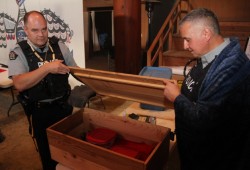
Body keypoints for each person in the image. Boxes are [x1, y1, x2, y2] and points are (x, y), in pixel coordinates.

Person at [163, 8, 250, 170]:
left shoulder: (231, 68)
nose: (184, 45)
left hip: (214, 160)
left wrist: (176, 97)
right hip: (193, 153)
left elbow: (202, 121)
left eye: (188, 39)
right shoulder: (209, 55)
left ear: (206, 34)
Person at [8, 11, 77, 170]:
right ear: (25, 30)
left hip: (64, 107)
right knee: (49, 158)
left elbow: (76, 70)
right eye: (35, 30)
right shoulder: (19, 52)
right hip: (41, 113)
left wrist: (99, 83)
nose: (41, 34)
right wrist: (47, 68)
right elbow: (19, 83)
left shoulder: (58, 45)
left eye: (44, 29)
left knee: (70, 153)